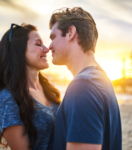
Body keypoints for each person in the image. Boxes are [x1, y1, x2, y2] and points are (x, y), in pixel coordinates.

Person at [49, 7, 122, 150]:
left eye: (53, 37)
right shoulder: (101, 78)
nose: (49, 46)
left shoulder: (83, 86)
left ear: (70, 33)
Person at [0, 23, 61, 150]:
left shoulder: (49, 90)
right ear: (19, 51)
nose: (46, 49)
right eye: (38, 44)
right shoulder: (9, 99)